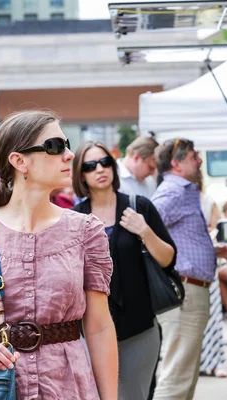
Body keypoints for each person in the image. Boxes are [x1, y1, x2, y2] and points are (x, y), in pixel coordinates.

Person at [0, 110, 118, 399]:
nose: (69, 155)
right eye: (55, 146)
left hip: (68, 385)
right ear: (19, 161)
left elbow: (98, 326)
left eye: (67, 145)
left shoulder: (86, 231)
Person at [73, 141, 176, 400]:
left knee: (134, 395)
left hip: (138, 327)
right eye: (90, 165)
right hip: (92, 330)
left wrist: (144, 230)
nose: (100, 169)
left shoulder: (138, 206)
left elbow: (167, 259)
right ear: (81, 174)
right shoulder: (74, 219)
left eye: (105, 162)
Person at [150, 138, 227, 400]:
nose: (199, 160)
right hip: (184, 290)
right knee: (177, 372)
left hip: (189, 289)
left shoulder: (182, 189)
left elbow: (170, 234)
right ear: (176, 164)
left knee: (184, 371)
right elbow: (146, 228)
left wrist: (211, 251)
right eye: (193, 156)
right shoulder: (174, 191)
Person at [199, 189, 227, 379]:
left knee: (214, 318)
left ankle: (216, 362)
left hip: (208, 265)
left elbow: (218, 227)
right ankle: (202, 363)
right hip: (190, 270)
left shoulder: (207, 201)